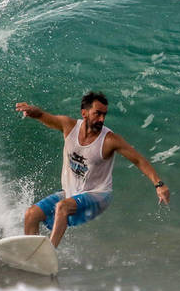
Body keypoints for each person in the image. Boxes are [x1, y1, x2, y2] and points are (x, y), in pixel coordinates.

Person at [15, 91, 170, 247]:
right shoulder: (69, 126)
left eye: (104, 115)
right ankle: (31, 255)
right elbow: (44, 116)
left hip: (98, 195)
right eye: (97, 114)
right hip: (72, 193)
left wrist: (159, 184)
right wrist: (33, 112)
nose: (101, 119)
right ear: (84, 113)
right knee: (31, 214)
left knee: (62, 206)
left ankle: (48, 252)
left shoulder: (109, 140)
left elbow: (138, 160)